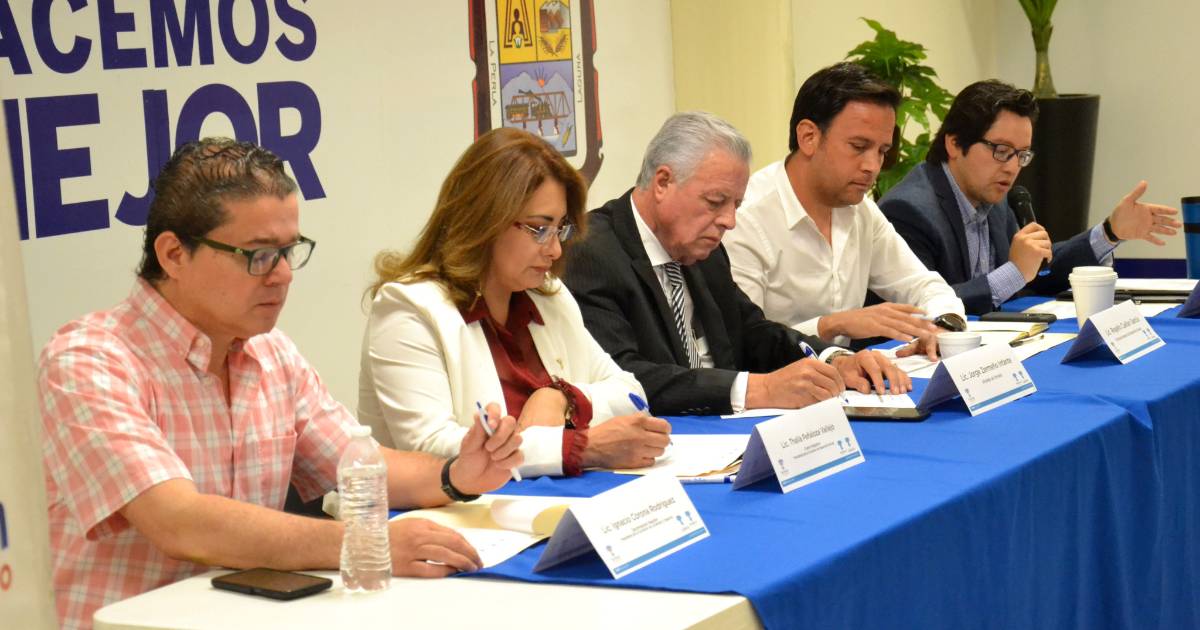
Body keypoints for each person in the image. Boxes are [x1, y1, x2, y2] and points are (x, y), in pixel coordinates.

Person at [38, 139, 523, 630]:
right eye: (259, 255)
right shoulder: (90, 361)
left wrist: (458, 474)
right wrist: (364, 544)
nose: (283, 275)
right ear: (174, 254)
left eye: (289, 251)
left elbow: (358, 464)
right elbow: (179, 523)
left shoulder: (270, 352)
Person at [358, 127, 668, 477]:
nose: (555, 250)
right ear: (483, 220)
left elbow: (631, 394)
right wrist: (582, 447)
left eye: (560, 229)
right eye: (539, 229)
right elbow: (433, 450)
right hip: (443, 509)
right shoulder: (408, 309)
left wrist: (561, 397)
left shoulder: (548, 296)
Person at [563, 111, 909, 417]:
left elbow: (751, 330)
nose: (729, 221)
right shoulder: (590, 252)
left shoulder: (702, 247)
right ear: (663, 182)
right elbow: (623, 375)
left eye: (736, 205)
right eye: (715, 202)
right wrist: (759, 389)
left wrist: (833, 360)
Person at [879, 80, 1181, 315]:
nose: (1012, 167)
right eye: (1001, 151)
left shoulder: (992, 196)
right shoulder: (909, 211)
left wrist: (1109, 232)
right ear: (955, 144)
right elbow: (923, 309)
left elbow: (1036, 273)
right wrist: (1013, 273)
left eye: (1021, 155)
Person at [726, 62, 965, 355]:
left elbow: (923, 285)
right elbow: (743, 343)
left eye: (882, 151)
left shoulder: (861, 210)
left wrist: (943, 325)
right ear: (808, 137)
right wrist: (831, 325)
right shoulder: (745, 217)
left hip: (844, 374)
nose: (872, 166)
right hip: (778, 378)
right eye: (858, 146)